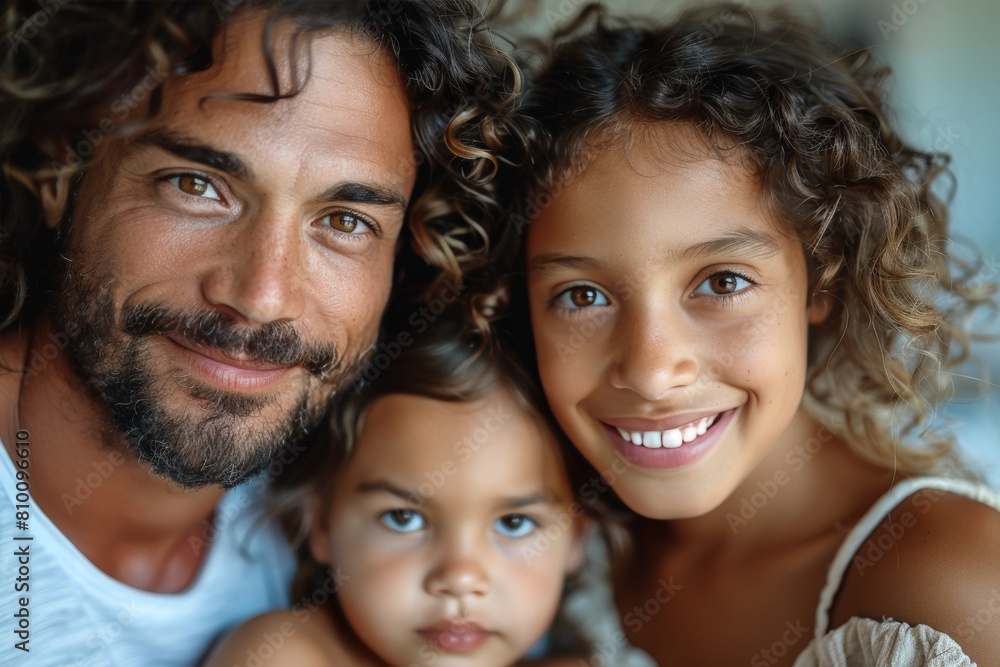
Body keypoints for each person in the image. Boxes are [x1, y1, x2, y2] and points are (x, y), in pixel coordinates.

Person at [0, 1, 528, 664]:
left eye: (343, 221)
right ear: (60, 175)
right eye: (197, 185)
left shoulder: (357, 485)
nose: (262, 297)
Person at [512, 3, 1000, 665]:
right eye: (583, 296)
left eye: (721, 283)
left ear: (822, 278)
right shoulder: (546, 541)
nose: (654, 371)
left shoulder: (949, 584)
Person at [202, 314, 588, 667]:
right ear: (321, 523)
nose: (460, 578)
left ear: (577, 538)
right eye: (404, 518)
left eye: (515, 523)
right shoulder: (283, 654)